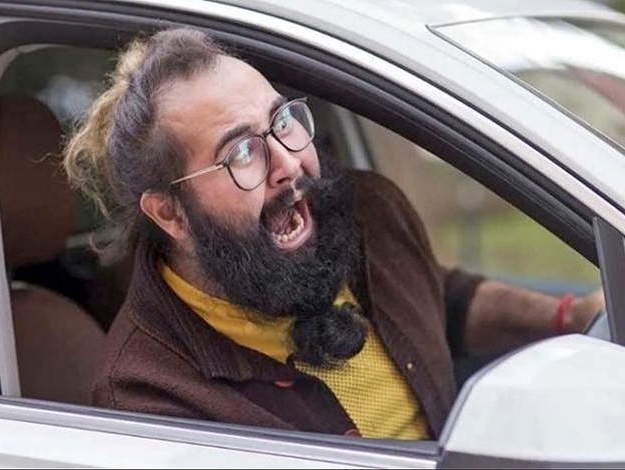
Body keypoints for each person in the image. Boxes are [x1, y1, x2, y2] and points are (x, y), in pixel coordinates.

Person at [63, 27, 604, 440]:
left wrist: (569, 317)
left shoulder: (368, 212)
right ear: (170, 214)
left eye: (282, 123)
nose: (288, 163)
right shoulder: (147, 398)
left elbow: (435, 297)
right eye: (242, 152)